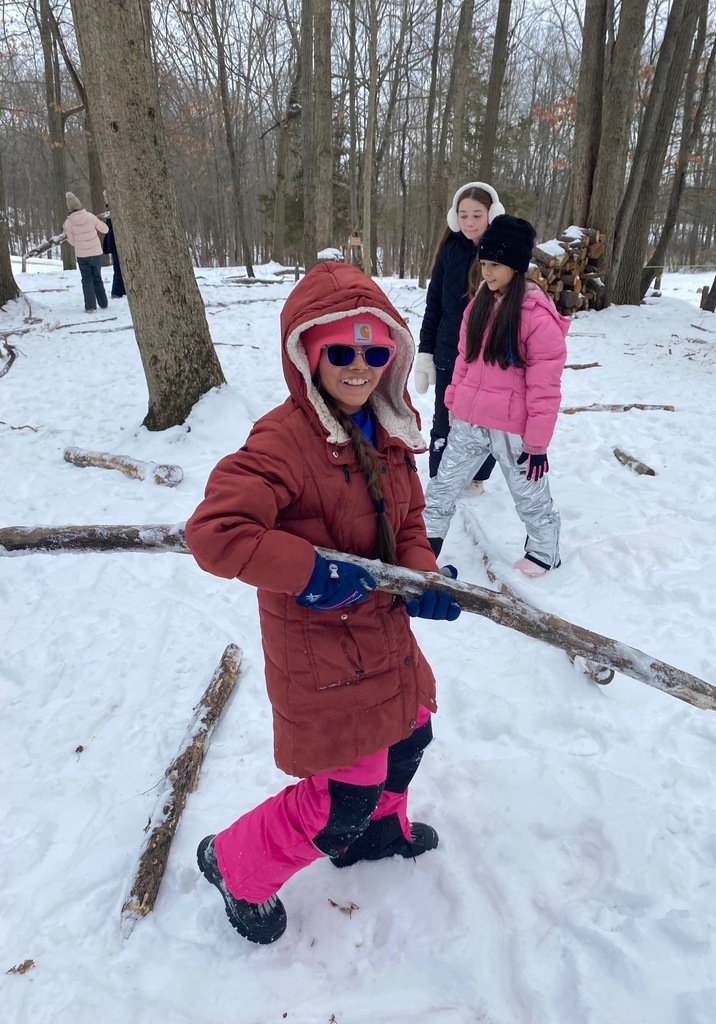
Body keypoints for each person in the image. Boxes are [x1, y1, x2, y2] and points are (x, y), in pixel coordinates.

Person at [185, 261, 461, 945]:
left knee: (411, 733)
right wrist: (307, 570)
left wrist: (421, 577)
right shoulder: (283, 440)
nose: (360, 367)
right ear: (309, 354)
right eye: (342, 351)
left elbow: (406, 527)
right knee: (343, 791)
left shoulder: (388, 432)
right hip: (322, 655)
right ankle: (234, 864)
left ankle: (369, 838)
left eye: (375, 352)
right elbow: (216, 532)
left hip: (384, 640)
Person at [422, 215, 570, 578]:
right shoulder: (479, 305)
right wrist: (453, 405)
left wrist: (536, 444)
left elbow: (545, 388)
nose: (486, 272)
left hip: (513, 430)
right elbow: (463, 361)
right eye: (484, 264)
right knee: (441, 488)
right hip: (470, 422)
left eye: (495, 265)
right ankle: (424, 546)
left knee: (530, 498)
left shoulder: (536, 316)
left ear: (516, 266)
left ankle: (544, 550)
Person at [415, 181, 505, 493]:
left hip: (488, 358)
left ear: (492, 214)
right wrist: (425, 351)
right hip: (447, 354)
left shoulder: (506, 254)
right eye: (463, 214)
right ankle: (440, 478)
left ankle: (477, 476)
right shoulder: (450, 250)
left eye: (476, 215)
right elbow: (434, 304)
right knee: (445, 419)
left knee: (486, 421)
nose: (469, 222)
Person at [63, 191, 109, 313]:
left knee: (87, 279)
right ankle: (103, 303)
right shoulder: (90, 216)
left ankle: (90, 307)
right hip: (96, 253)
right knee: (97, 277)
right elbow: (105, 230)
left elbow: (72, 241)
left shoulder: (68, 223)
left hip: (82, 256)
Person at [102, 189, 125, 299]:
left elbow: (110, 231)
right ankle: (119, 290)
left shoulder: (113, 212)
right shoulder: (109, 212)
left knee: (118, 268)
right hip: (114, 244)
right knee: (118, 267)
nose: (104, 200)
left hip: (117, 244)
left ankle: (117, 292)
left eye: (105, 197)